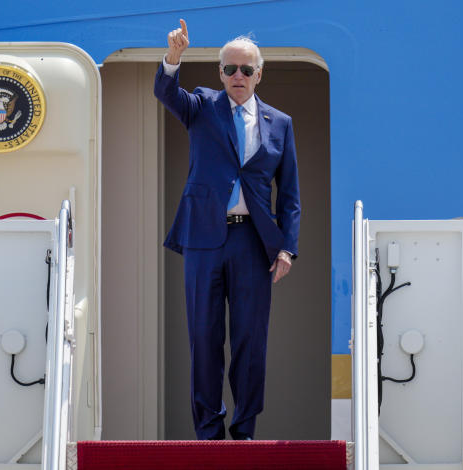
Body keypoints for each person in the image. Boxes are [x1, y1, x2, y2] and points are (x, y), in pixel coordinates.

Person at [155, 19, 300, 440]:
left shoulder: (280, 123)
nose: (238, 76)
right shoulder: (201, 105)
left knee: (250, 341)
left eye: (247, 70)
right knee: (204, 336)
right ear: (220, 73)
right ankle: (208, 431)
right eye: (231, 69)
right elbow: (167, 93)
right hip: (203, 238)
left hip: (254, 244)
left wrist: (286, 248)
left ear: (259, 74)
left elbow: (289, 194)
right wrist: (173, 58)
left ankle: (244, 430)